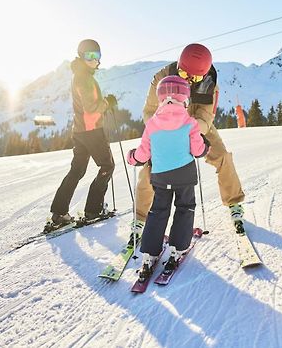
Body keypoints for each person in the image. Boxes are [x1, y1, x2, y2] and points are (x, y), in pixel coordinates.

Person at [134, 43, 245, 237]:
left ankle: (234, 203)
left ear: (205, 73)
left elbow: (205, 117)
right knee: (151, 165)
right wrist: (168, 133)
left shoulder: (211, 84)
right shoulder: (162, 78)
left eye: (196, 78)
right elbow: (150, 112)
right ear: (179, 65)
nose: (190, 81)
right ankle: (140, 219)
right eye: (185, 75)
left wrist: (188, 133)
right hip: (165, 124)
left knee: (222, 156)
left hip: (195, 124)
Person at [127, 75, 209, 280]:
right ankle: (177, 249)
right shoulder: (190, 122)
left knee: (158, 210)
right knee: (185, 207)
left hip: (161, 176)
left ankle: (149, 254)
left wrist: (132, 157)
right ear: (185, 98)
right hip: (185, 174)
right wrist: (205, 145)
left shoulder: (152, 124)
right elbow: (198, 151)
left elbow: (143, 154)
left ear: (160, 97)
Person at [49, 39, 117, 225]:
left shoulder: (79, 75)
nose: (96, 60)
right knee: (107, 166)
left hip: (80, 131)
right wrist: (107, 103)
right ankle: (93, 211)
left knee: (77, 169)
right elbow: (92, 107)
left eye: (98, 56)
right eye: (91, 56)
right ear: (82, 56)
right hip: (92, 131)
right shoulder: (84, 78)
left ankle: (59, 212)